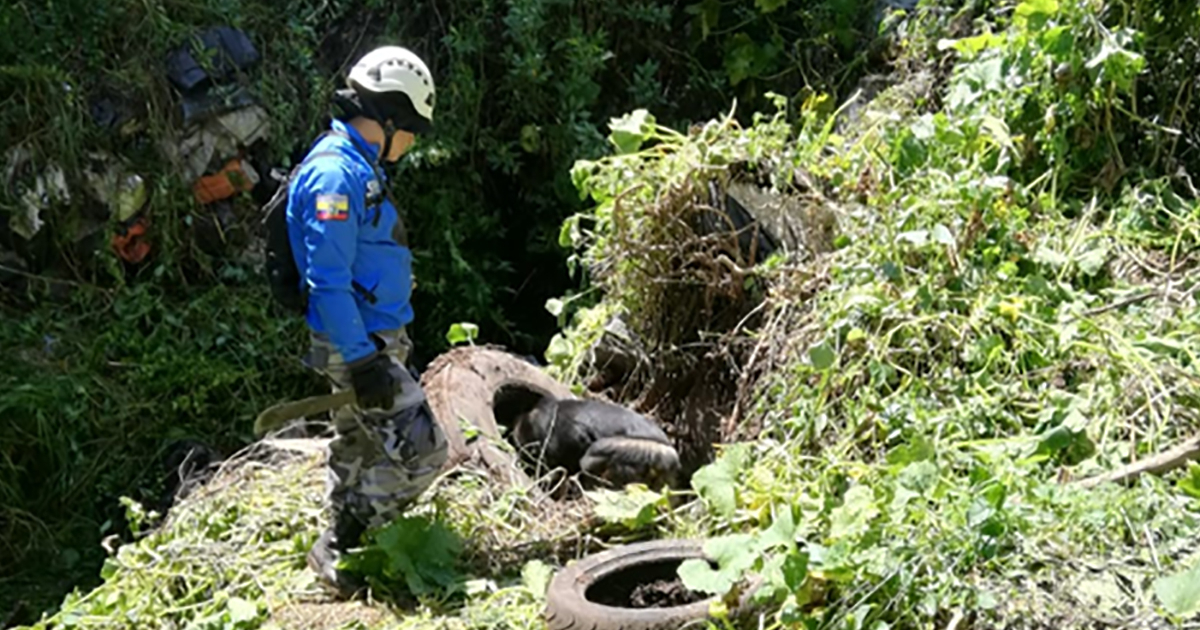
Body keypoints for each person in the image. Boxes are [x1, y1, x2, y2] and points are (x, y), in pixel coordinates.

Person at [284, 45, 449, 598]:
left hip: (368, 338)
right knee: (426, 452)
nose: (413, 142)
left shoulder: (356, 165)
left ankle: (335, 556)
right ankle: (353, 537)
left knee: (356, 441)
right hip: (358, 344)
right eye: (413, 130)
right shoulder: (335, 174)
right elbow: (326, 280)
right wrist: (361, 359)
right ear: (391, 116)